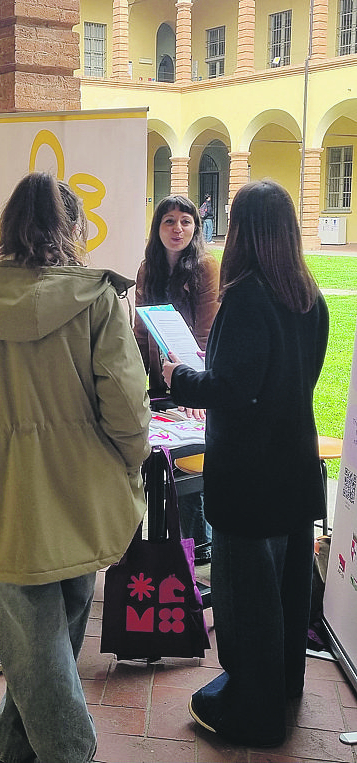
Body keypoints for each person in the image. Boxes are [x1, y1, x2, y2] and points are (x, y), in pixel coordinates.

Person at [0, 172, 151, 762]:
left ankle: (15, 752)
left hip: (5, 488)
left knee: (38, 641)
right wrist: (129, 462)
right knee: (49, 639)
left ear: (8, 229)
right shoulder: (97, 299)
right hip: (85, 486)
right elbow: (128, 404)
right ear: (71, 227)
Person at [161, 179, 329, 748]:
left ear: (245, 231)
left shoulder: (248, 296)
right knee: (285, 589)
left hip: (248, 473)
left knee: (247, 600)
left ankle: (253, 712)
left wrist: (178, 377)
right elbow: (289, 378)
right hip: (294, 465)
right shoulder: (309, 295)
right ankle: (282, 688)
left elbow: (232, 388)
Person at [134, 195, 220, 563]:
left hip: (192, 378)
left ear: (195, 228)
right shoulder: (147, 268)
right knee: (153, 461)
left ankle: (199, 548)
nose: (177, 228)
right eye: (169, 221)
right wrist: (135, 378)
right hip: (156, 380)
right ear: (157, 228)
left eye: (186, 221)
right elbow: (140, 330)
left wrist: (189, 384)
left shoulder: (204, 267)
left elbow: (205, 334)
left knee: (189, 464)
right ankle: (157, 546)